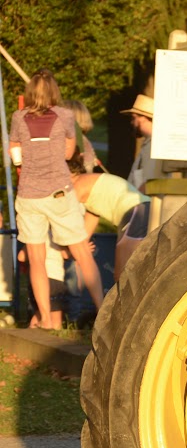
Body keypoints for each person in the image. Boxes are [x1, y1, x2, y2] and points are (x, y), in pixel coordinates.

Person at [8, 69, 105, 329]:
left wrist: (24, 160)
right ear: (54, 92)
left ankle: (45, 319)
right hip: (59, 192)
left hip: (29, 194)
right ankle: (103, 310)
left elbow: (14, 150)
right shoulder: (64, 115)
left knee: (36, 259)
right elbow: (69, 151)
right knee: (82, 253)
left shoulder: (18, 117)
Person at [123, 93, 157, 192]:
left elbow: (150, 181)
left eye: (134, 118)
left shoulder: (154, 146)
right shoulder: (149, 143)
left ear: (143, 118)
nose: (132, 122)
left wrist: (135, 202)